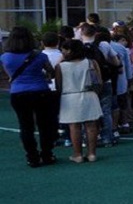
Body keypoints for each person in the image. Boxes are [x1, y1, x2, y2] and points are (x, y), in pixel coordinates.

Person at [0, 27, 57, 167]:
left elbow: (9, 75)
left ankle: (32, 157)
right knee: (45, 125)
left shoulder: (5, 57)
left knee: (26, 126)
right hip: (40, 90)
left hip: (18, 92)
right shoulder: (39, 55)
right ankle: (47, 154)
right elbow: (51, 72)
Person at [56, 39, 103, 163]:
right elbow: (99, 82)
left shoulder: (60, 66)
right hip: (89, 95)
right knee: (92, 126)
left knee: (74, 127)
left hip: (69, 97)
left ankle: (77, 155)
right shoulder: (91, 62)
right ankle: (92, 153)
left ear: (69, 50)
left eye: (64, 50)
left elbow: (59, 86)